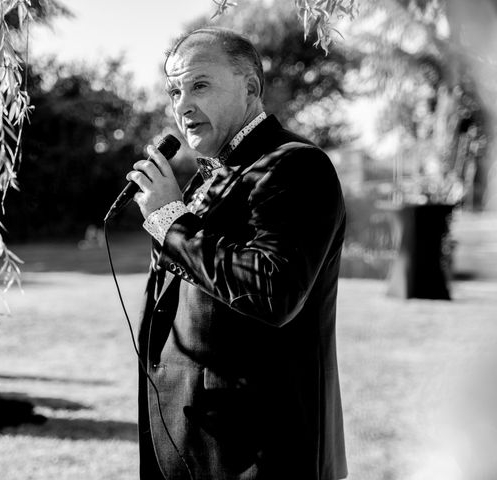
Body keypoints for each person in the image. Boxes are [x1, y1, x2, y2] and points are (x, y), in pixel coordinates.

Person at [126, 27, 348, 480]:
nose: (182, 104)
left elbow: (273, 291)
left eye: (200, 85)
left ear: (250, 87)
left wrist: (171, 220)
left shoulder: (296, 165)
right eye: (174, 90)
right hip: (194, 442)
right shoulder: (213, 174)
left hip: (257, 454)